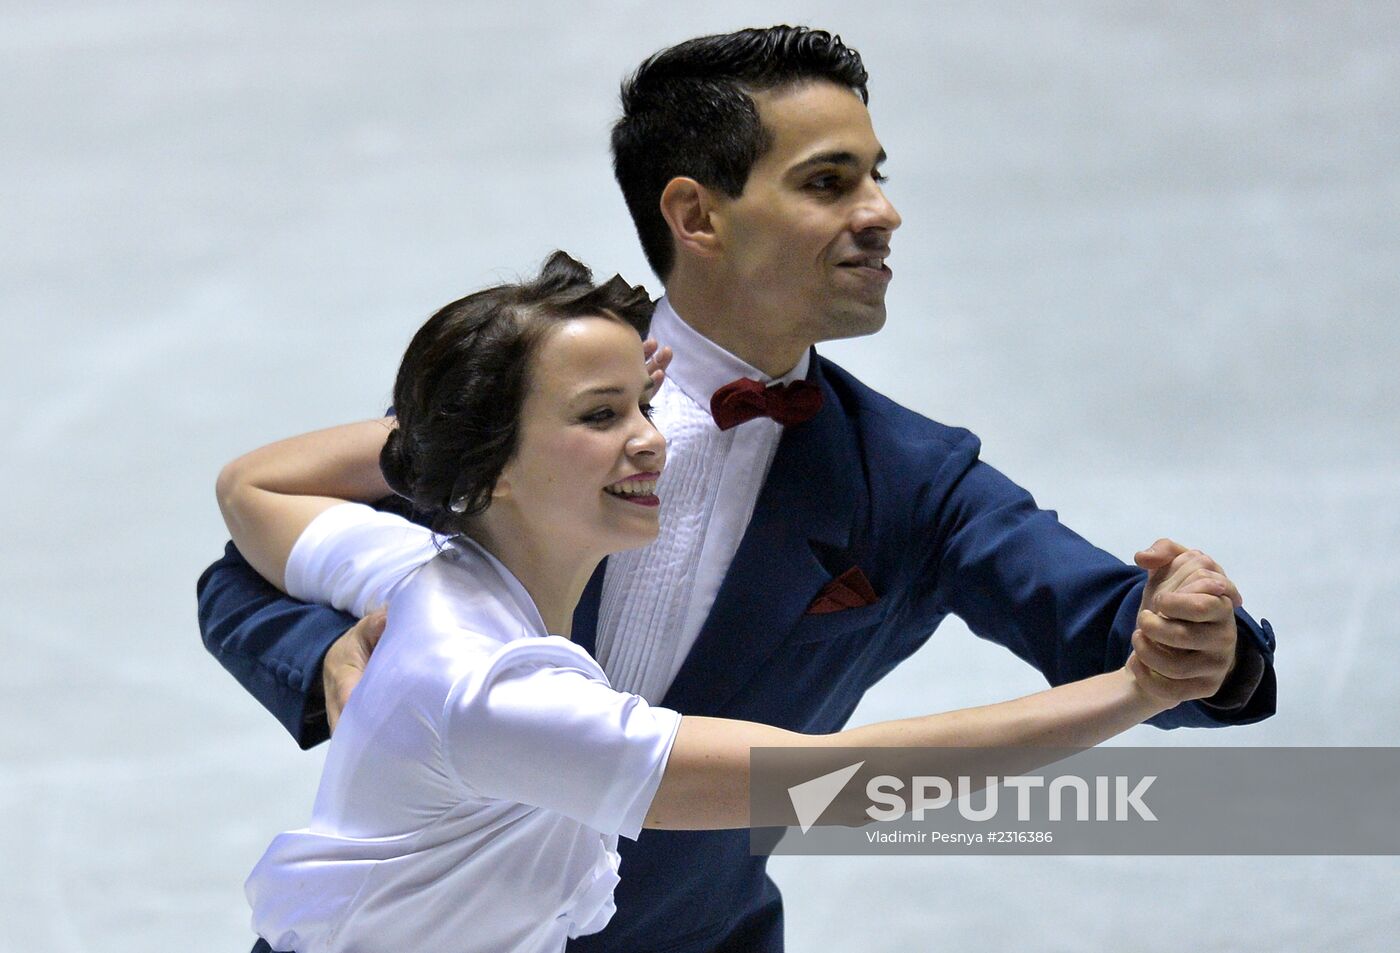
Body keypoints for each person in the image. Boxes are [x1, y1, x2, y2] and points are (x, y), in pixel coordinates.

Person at [198, 26, 1277, 953]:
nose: (883, 211)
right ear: (696, 215)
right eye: (827, 181)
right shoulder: (530, 408)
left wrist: (1193, 642)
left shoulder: (906, 478)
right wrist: (339, 660)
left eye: (877, 172)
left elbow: (1106, 622)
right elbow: (242, 575)